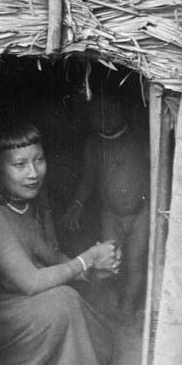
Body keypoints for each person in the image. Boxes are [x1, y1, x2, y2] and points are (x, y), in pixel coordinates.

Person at [0, 120, 121, 365]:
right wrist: (86, 260)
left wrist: (92, 269)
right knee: (63, 300)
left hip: (28, 304)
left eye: (39, 160)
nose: (33, 173)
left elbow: (50, 256)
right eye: (19, 164)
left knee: (84, 297)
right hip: (2, 314)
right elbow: (31, 281)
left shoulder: (31, 202)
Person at [62, 91, 150, 321]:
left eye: (110, 110)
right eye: (97, 113)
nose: (105, 117)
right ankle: (109, 308)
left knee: (135, 262)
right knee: (108, 263)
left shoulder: (139, 138)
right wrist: (77, 205)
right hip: (110, 214)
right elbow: (88, 178)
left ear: (122, 110)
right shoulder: (93, 145)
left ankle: (128, 309)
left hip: (141, 214)